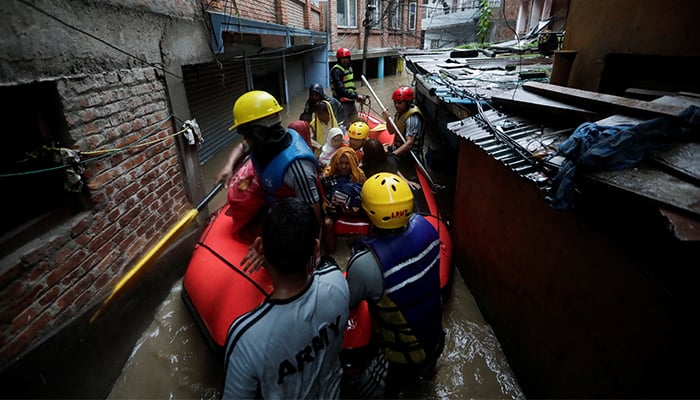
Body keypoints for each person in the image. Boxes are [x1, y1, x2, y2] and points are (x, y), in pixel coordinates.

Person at [223, 198, 350, 399]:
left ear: (260, 247)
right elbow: (323, 268)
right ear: (316, 248)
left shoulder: (247, 337)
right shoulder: (337, 283)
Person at [345, 172, 444, 398]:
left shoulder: (365, 263)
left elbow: (350, 302)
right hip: (436, 339)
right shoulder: (428, 227)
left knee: (360, 392)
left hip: (400, 358)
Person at [215, 90, 322, 270]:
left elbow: (312, 216)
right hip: (274, 202)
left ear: (258, 132)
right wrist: (229, 165)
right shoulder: (264, 141)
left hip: (294, 217)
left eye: (246, 134)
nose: (245, 139)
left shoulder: (297, 167)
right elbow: (242, 146)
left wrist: (272, 243)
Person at [319, 147, 366, 254]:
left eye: (347, 163)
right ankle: (331, 255)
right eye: (340, 163)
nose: (343, 167)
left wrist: (355, 210)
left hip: (356, 209)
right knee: (327, 223)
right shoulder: (327, 176)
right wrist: (325, 204)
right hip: (335, 209)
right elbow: (322, 195)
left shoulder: (359, 176)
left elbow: (365, 196)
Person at [382, 86, 425, 166]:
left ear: (408, 102)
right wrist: (387, 119)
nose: (396, 105)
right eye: (395, 102)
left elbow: (409, 143)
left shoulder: (412, 118)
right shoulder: (400, 113)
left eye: (399, 103)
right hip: (398, 147)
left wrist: (392, 155)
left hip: (410, 154)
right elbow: (391, 132)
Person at [330, 48, 368, 123]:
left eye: (347, 58)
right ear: (339, 59)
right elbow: (340, 90)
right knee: (344, 126)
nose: (345, 60)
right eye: (343, 58)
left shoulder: (348, 68)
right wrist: (356, 96)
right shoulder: (336, 71)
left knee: (356, 123)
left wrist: (355, 97)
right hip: (341, 104)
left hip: (350, 102)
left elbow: (350, 87)